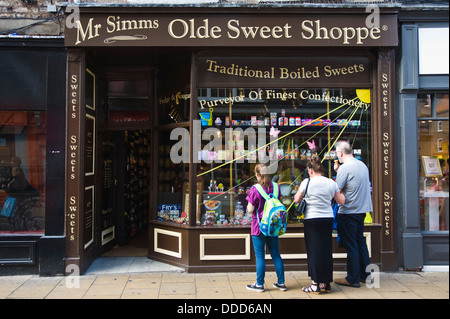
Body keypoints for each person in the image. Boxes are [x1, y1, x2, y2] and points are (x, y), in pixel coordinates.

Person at [294, 157, 345, 294]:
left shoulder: (307, 182)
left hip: (312, 219)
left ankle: (315, 284)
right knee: (326, 250)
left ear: (310, 170)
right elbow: (341, 201)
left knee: (314, 251)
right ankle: (326, 283)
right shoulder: (331, 182)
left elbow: (296, 199)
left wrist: (305, 197)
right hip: (327, 219)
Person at [333, 141, 373, 288]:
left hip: (349, 211)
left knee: (351, 246)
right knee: (360, 242)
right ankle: (366, 275)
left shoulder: (345, 168)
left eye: (337, 153)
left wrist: (338, 173)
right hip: (362, 210)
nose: (337, 156)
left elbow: (336, 189)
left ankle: (352, 278)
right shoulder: (362, 165)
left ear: (341, 153)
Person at [245, 163, 286, 292]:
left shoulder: (255, 189)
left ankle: (259, 284)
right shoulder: (276, 187)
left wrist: (248, 206)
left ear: (257, 174)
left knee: (260, 256)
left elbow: (250, 209)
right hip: (273, 226)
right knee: (276, 254)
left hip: (258, 226)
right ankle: (281, 283)